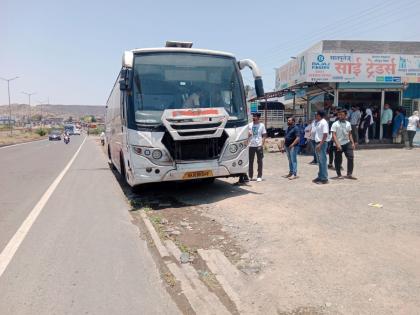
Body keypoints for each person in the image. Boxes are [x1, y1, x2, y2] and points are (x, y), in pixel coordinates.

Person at [331, 109, 357, 180]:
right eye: (339, 114)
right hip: (338, 144)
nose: (340, 116)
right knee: (338, 160)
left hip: (347, 143)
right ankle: (339, 174)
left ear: (346, 115)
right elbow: (333, 135)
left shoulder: (348, 123)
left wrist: (352, 143)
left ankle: (349, 174)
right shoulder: (335, 124)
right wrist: (337, 144)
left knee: (351, 157)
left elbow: (350, 134)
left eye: (342, 115)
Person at [248, 113, 267, 182]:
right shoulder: (249, 125)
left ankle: (259, 176)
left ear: (258, 117)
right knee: (250, 161)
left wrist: (261, 144)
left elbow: (264, 135)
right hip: (251, 145)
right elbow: (246, 134)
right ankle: (250, 176)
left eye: (255, 116)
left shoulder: (262, 125)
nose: (253, 117)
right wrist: (248, 134)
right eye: (253, 116)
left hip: (259, 145)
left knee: (259, 161)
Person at [312, 110, 329, 184]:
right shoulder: (318, 122)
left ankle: (324, 178)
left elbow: (325, 135)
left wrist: (320, 144)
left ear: (319, 115)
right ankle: (320, 176)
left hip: (321, 143)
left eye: (316, 115)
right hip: (318, 143)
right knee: (319, 162)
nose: (315, 116)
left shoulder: (324, 122)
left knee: (323, 161)